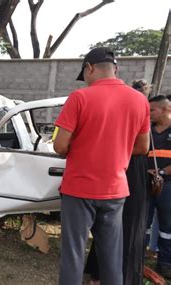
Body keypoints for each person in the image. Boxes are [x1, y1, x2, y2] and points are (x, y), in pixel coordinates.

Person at [53, 47, 150, 285]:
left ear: (89, 68)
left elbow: (59, 146)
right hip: (115, 190)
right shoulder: (140, 100)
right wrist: (117, 152)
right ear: (115, 69)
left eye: (84, 74)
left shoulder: (80, 97)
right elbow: (142, 148)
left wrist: (83, 146)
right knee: (111, 257)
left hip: (79, 189)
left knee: (73, 254)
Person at [84, 78, 153, 285]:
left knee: (116, 226)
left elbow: (141, 148)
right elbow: (142, 148)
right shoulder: (140, 111)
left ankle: (102, 275)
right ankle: (113, 276)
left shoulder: (124, 111)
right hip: (127, 173)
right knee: (124, 226)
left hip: (124, 172)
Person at [147, 95, 171, 278]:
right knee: (143, 223)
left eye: (152, 110)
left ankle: (165, 263)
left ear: (165, 109)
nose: (149, 114)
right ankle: (137, 257)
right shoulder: (147, 131)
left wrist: (162, 173)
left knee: (167, 226)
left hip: (168, 186)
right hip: (146, 184)